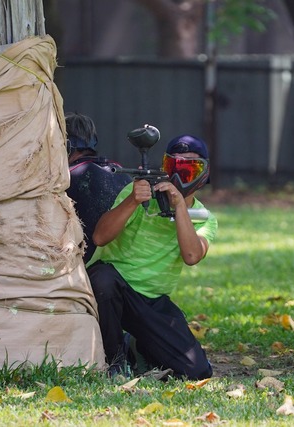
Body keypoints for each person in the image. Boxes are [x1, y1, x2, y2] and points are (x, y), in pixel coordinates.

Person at [88, 133, 217, 380]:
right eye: (174, 167)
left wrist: (180, 206)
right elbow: (100, 237)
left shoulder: (203, 218)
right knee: (103, 278)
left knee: (197, 371)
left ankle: (137, 349)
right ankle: (115, 361)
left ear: (203, 175)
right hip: (117, 290)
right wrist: (132, 201)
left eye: (189, 169)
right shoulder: (137, 195)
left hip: (153, 303)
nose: (180, 177)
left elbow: (191, 255)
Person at [65, 112, 132, 266]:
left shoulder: (67, 178)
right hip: (120, 265)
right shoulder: (121, 171)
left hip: (83, 265)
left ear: (65, 144)